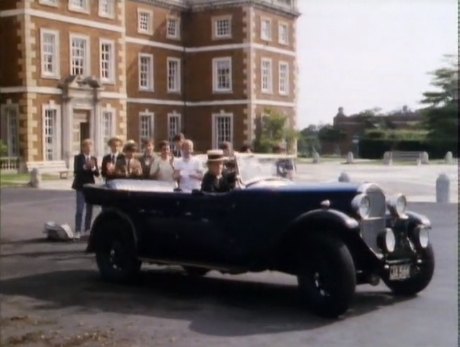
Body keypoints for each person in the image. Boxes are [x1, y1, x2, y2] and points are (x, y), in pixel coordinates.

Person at [71, 139, 99, 240]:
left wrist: (93, 168)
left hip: (90, 186)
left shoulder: (94, 158)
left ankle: (87, 229)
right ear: (83, 148)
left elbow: (97, 174)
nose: (89, 148)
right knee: (79, 209)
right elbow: (76, 171)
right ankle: (78, 230)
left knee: (89, 210)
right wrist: (85, 166)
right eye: (86, 146)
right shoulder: (78, 158)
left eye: (90, 146)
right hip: (80, 186)